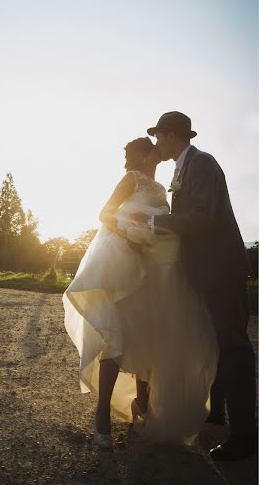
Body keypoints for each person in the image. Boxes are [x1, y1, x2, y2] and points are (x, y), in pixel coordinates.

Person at [63, 136, 218, 449]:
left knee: (146, 336)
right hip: (124, 261)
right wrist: (129, 237)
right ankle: (102, 414)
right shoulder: (131, 179)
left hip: (155, 269)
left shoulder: (165, 188)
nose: (160, 149)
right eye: (154, 146)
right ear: (147, 154)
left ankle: (142, 404)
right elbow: (105, 214)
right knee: (117, 337)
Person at [134, 111, 257, 461]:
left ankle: (247, 434)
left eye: (158, 136)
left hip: (220, 268)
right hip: (205, 271)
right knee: (214, 341)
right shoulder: (182, 168)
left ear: (171, 135)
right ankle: (216, 415)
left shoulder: (202, 164)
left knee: (233, 347)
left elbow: (202, 218)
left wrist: (157, 222)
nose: (156, 142)